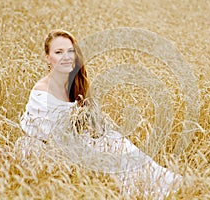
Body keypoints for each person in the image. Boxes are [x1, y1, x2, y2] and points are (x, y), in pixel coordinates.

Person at [15, 29, 182, 199]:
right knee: (109, 151)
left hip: (79, 140)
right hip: (53, 149)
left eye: (70, 51)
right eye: (59, 52)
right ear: (48, 58)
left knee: (119, 143)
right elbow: (51, 135)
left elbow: (89, 121)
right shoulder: (41, 91)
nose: (66, 57)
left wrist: (97, 130)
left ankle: (160, 184)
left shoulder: (74, 84)